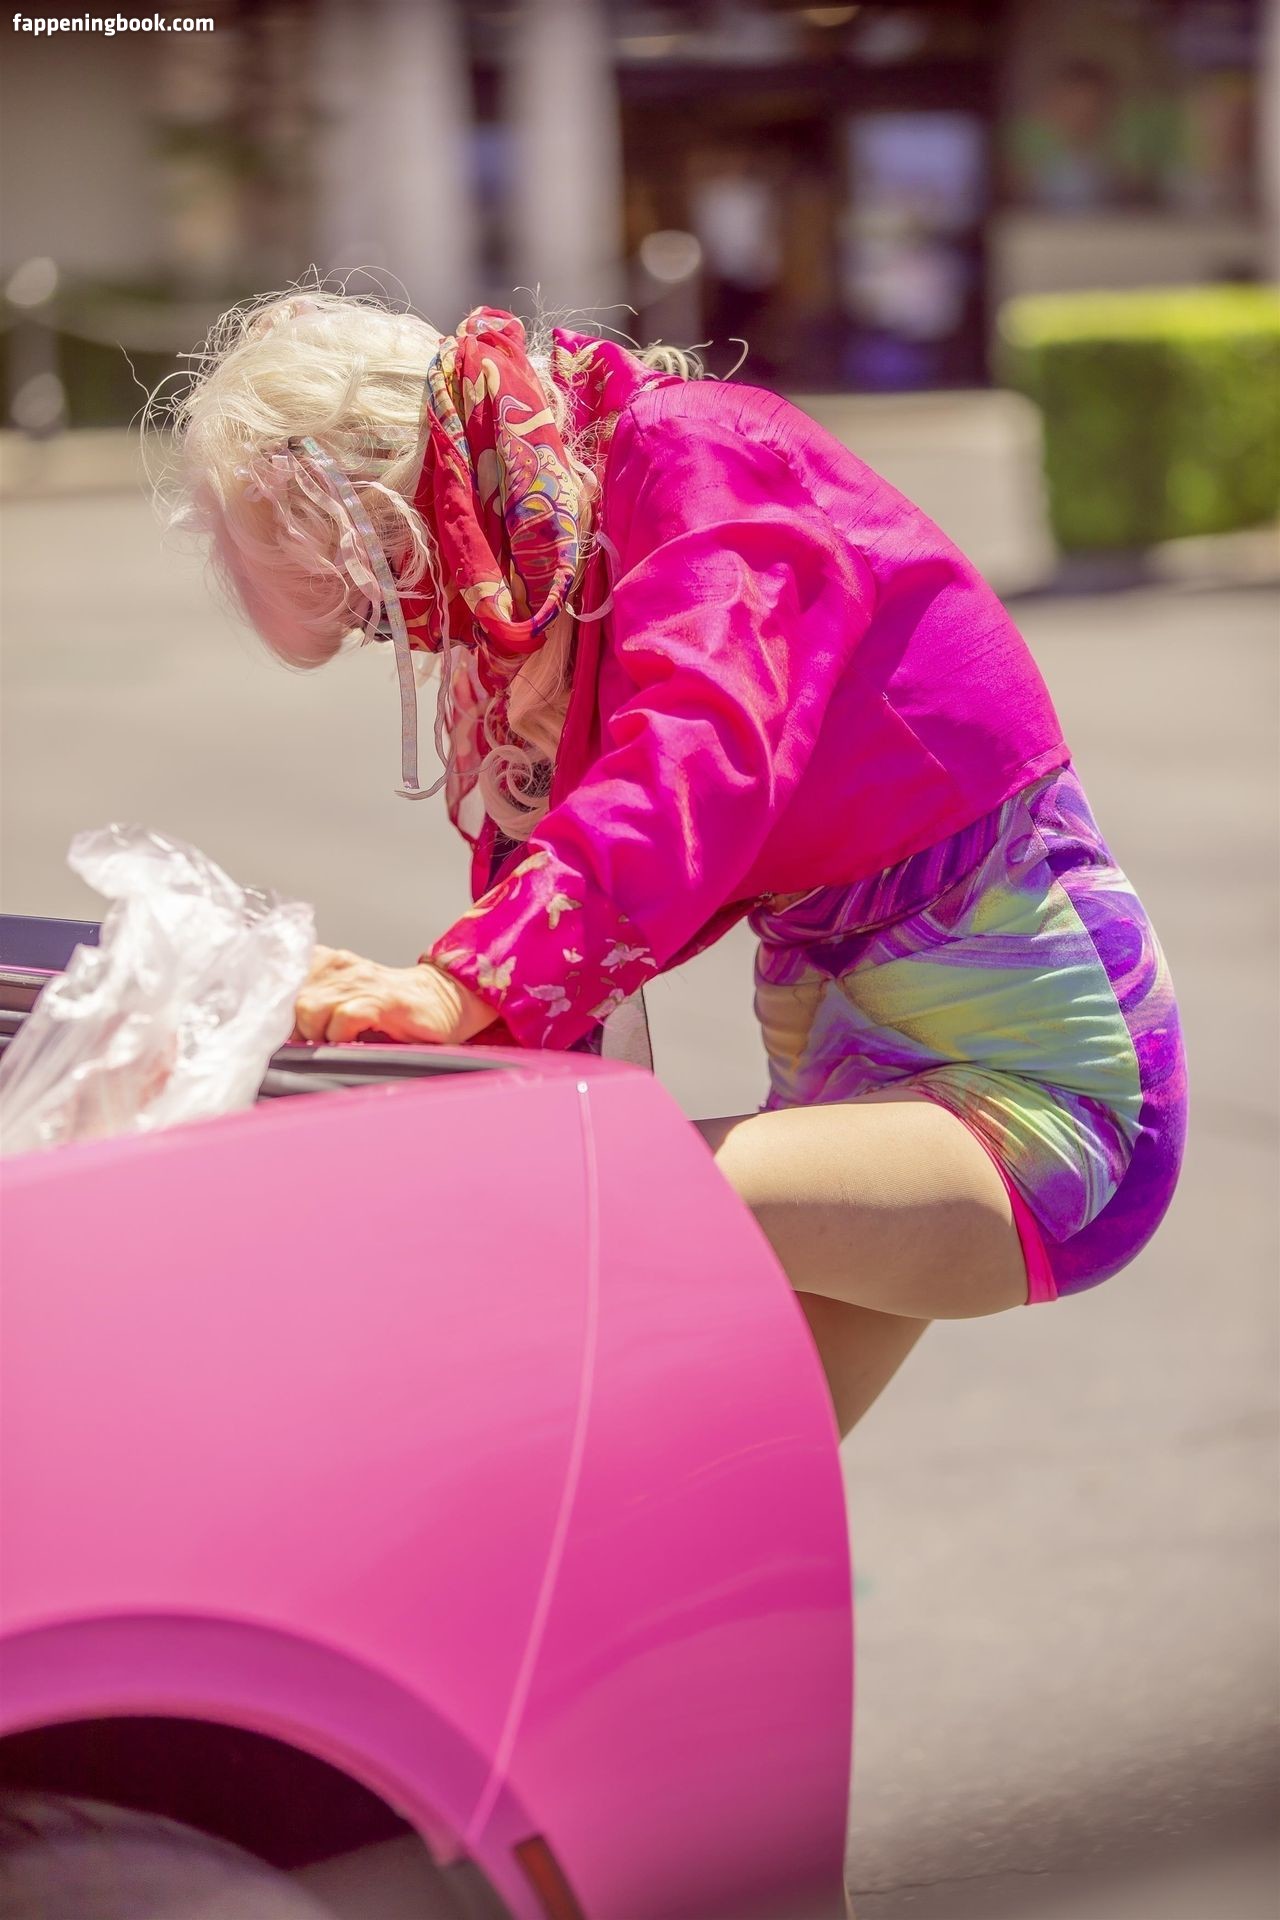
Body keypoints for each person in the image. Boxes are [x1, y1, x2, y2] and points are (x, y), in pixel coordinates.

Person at [171, 293, 1186, 1436]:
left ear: (400, 514)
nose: (415, 641)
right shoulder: (571, 534)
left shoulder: (692, 455)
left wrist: (456, 989)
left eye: (375, 611)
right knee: (684, 1482)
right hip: (856, 1092)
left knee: (580, 1221)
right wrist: (403, 1038)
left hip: (1034, 1106)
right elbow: (567, 880)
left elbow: (698, 755)